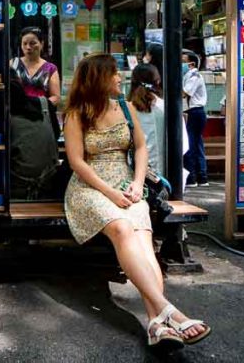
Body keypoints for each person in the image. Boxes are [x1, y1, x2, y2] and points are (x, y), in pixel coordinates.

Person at [63, 54, 210, 348]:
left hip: (129, 185)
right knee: (122, 229)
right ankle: (170, 312)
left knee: (145, 242)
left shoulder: (126, 107)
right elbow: (77, 162)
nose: (120, 78)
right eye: (115, 73)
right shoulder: (77, 113)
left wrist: (137, 183)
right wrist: (110, 192)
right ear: (98, 77)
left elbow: (140, 149)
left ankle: (157, 324)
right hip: (90, 187)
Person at [9, 26, 61, 199]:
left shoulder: (50, 68)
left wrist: (38, 103)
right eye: (25, 44)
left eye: (33, 43)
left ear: (42, 44)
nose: (29, 47)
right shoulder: (12, 63)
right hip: (16, 119)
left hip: (41, 117)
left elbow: (56, 97)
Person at [129, 64, 165, 178]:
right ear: (158, 81)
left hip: (130, 172)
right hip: (163, 175)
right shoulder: (165, 107)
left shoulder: (125, 108)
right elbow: (183, 145)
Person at [181, 50, 209, 187]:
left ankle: (192, 177)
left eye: (183, 61)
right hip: (194, 112)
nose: (181, 64)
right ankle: (202, 176)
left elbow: (184, 93)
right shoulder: (188, 75)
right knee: (197, 144)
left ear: (191, 64)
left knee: (191, 144)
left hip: (194, 112)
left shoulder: (194, 76)